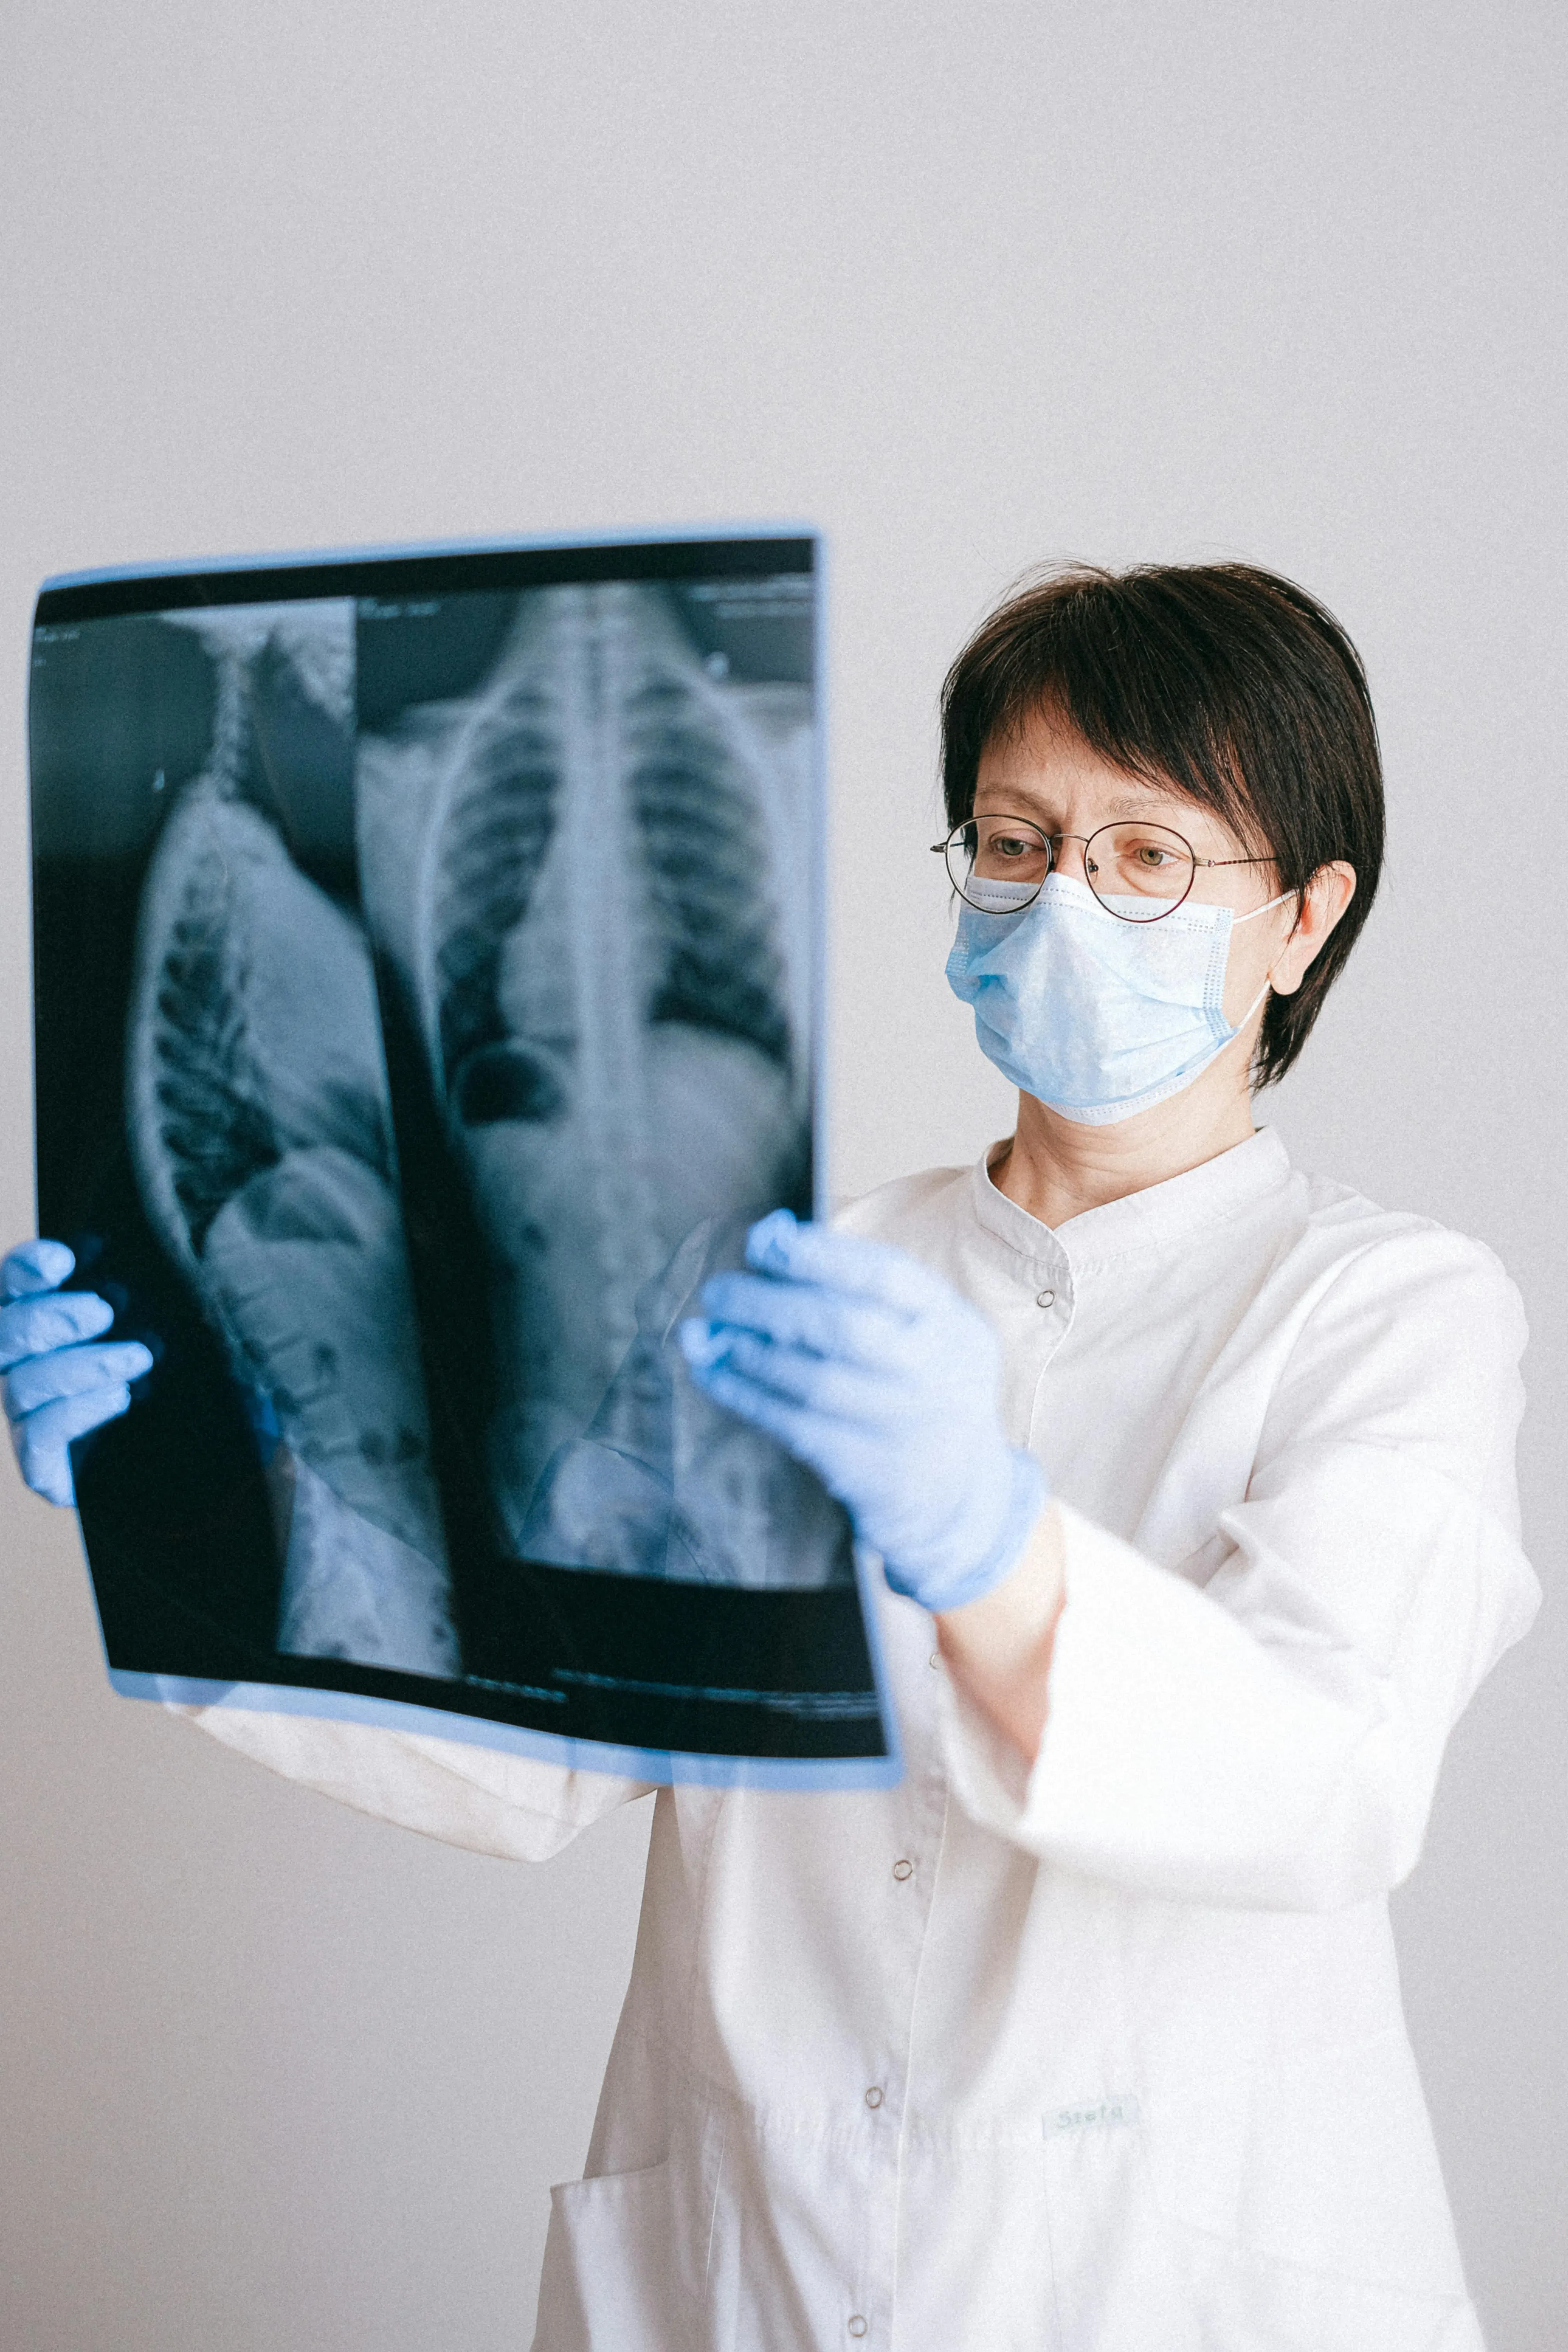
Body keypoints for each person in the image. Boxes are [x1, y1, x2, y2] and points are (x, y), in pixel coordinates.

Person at [2, 562, 1536, 2351]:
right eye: (1019, 842)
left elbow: (1328, 1777)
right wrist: (184, 1516)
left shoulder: (1388, 1309)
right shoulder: (781, 1279)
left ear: (1304, 917)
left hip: (1171, 2287)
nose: (1064, 903)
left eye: (1148, 856)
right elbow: (537, 1752)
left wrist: (987, 1543)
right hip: (751, 2276)